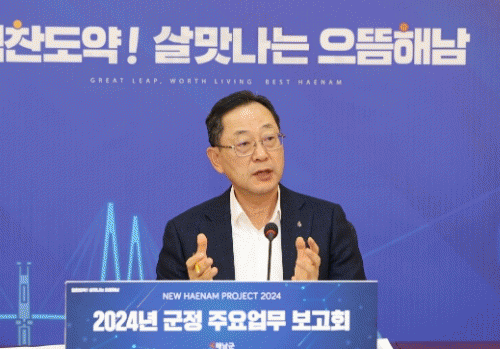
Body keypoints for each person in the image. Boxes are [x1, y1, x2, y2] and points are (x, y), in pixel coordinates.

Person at [156, 90, 365, 282]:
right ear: (216, 159)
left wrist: (312, 295)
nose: (262, 154)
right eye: (244, 144)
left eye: (270, 139)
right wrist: (194, 298)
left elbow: (356, 308)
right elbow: (161, 310)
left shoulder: (327, 223)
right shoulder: (184, 234)